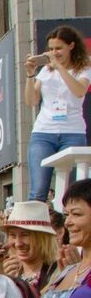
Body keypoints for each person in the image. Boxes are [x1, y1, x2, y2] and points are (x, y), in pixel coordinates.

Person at [25, 25, 91, 201]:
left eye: (59, 48)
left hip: (73, 132)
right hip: (43, 132)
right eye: (51, 49)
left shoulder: (84, 67)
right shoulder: (46, 71)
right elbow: (32, 101)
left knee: (73, 190)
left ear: (71, 46)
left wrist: (60, 67)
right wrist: (30, 75)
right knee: (38, 190)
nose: (54, 53)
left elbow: (79, 91)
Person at [0, 201, 59, 292]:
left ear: (43, 238)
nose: (18, 243)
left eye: (25, 235)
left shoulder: (58, 272)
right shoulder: (9, 270)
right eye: (12, 235)